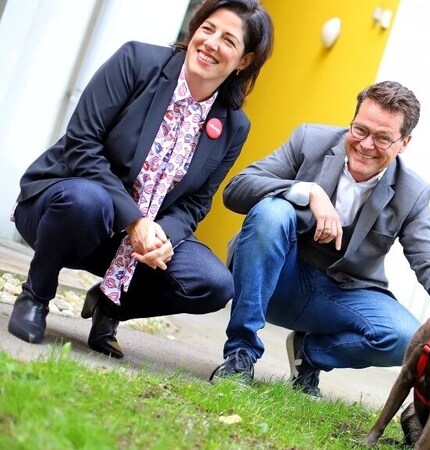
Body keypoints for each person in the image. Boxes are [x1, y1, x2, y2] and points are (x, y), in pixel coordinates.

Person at [7, 0, 274, 360]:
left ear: (244, 60)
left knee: (213, 283)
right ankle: (36, 296)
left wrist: (164, 236)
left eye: (228, 40)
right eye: (207, 29)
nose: (211, 43)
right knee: (89, 201)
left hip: (134, 246)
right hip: (66, 211)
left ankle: (110, 307)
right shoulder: (137, 61)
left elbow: (197, 201)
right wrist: (133, 219)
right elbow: (81, 142)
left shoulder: (233, 125)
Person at [209, 80, 430, 395]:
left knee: (406, 337)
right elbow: (238, 187)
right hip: (276, 280)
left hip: (340, 295)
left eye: (383, 137)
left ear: (404, 142)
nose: (366, 144)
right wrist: (308, 192)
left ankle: (310, 353)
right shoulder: (310, 141)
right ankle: (240, 355)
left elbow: (429, 262)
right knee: (272, 212)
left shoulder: (412, 193)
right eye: (360, 130)